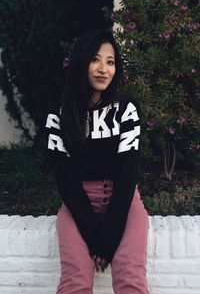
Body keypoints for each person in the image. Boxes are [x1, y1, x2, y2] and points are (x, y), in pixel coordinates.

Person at [45, 29, 149, 294]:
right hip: (78, 203)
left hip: (125, 203)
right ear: (81, 62)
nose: (104, 69)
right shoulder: (59, 114)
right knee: (75, 282)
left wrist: (109, 238)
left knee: (130, 279)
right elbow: (65, 179)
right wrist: (94, 237)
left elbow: (128, 173)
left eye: (111, 61)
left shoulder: (126, 109)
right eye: (95, 60)